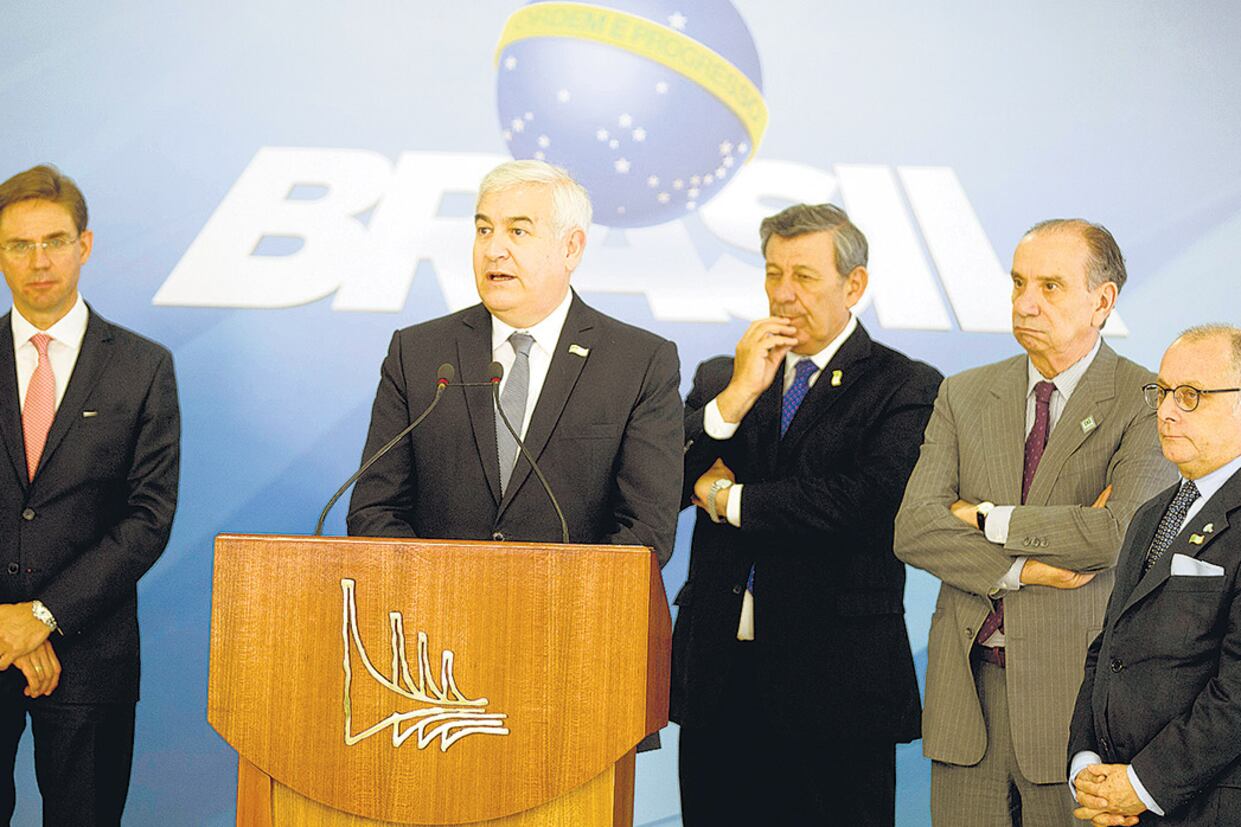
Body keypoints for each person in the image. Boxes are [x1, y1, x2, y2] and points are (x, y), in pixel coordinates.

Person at [894, 218, 1176, 826]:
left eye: (1050, 286)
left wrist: (987, 519)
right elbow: (914, 526)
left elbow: (1118, 533)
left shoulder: (1146, 398)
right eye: (1019, 282)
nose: (1025, 303)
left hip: (1077, 703)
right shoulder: (963, 393)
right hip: (967, 699)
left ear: (1103, 301)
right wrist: (1023, 569)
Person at [671, 203, 943, 825]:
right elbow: (666, 471)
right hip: (722, 677)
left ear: (855, 285)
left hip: (836, 684)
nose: (783, 294)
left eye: (803, 276)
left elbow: (866, 502)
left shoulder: (905, 384)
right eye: (772, 274)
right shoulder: (725, 373)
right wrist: (737, 395)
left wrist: (727, 500)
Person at [347, 158, 682, 564]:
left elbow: (646, 532)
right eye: (484, 230)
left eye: (517, 231)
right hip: (437, 616)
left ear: (571, 247)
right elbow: (375, 511)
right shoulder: (418, 353)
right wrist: (442, 590)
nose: (493, 250)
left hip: (569, 620)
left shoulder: (638, 363)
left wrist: (543, 600)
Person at [0, 165, 180, 825]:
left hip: (92, 652)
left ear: (86, 244)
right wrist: (6, 621)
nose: (38, 260)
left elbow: (147, 518)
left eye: (54, 239)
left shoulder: (142, 366)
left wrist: (41, 616)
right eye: (19, 245)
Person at [1068, 325, 1241, 826]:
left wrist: (1142, 785)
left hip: (1212, 806)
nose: (1165, 411)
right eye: (1162, 392)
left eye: (1191, 396)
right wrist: (1087, 765)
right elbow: (1108, 649)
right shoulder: (1152, 513)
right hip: (1120, 802)